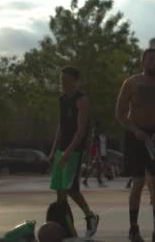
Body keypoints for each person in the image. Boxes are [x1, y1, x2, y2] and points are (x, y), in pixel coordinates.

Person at [116, 48, 155, 242]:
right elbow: (120, 114)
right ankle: (134, 228)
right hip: (136, 135)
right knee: (138, 182)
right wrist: (135, 130)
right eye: (151, 60)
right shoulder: (131, 83)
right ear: (143, 62)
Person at [48, 66, 99, 238]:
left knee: (70, 188)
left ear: (76, 81)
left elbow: (81, 129)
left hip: (75, 149)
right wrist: (54, 150)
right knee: (60, 192)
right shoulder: (62, 99)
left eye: (67, 80)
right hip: (62, 149)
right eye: (62, 80)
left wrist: (69, 152)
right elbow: (61, 126)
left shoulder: (81, 100)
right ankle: (65, 227)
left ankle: (90, 216)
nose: (63, 83)